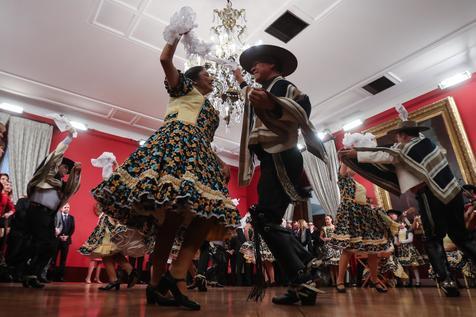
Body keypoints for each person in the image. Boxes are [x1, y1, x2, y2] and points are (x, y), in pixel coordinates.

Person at [91, 35, 239, 310]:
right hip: (176, 146)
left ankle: (174, 276)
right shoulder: (183, 89)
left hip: (199, 154)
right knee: (171, 221)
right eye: (207, 75)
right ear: (193, 79)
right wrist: (176, 34)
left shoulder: (209, 108)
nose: (212, 79)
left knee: (210, 212)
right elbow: (164, 59)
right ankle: (160, 283)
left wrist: (218, 162)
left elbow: (205, 138)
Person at [339, 116, 476, 297]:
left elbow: (387, 154)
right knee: (461, 236)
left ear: (403, 135)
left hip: (432, 194)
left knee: (433, 238)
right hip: (453, 193)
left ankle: (446, 280)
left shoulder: (408, 148)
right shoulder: (428, 145)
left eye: (398, 136)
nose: (397, 140)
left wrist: (356, 154)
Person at [234, 44, 327, 305]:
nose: (252, 68)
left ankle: (303, 270)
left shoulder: (282, 86)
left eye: (258, 63)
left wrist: (264, 98)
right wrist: (241, 81)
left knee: (265, 218)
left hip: (281, 157)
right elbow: (253, 98)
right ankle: (304, 281)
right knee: (268, 219)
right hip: (273, 158)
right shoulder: (263, 90)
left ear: (273, 66)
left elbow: (290, 106)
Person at [22, 130, 81, 288]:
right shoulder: (45, 175)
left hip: (48, 216)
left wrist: (77, 173)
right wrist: (68, 139)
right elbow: (54, 157)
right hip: (36, 211)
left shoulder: (62, 186)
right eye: (65, 168)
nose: (66, 171)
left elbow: (73, 187)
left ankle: (34, 273)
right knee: (40, 242)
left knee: (51, 246)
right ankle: (28, 273)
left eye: (68, 170)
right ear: (58, 166)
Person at [330, 163, 393, 293]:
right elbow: (344, 164)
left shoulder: (355, 182)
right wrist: (345, 157)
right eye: (351, 166)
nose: (354, 168)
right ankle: (340, 281)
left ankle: (374, 280)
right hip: (352, 214)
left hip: (364, 215)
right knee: (348, 249)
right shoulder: (343, 179)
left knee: (373, 249)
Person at [395, 222, 425, 287]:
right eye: (399, 223)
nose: (400, 224)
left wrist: (401, 241)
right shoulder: (397, 232)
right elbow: (395, 241)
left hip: (409, 250)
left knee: (414, 265)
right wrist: (396, 242)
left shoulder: (408, 231)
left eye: (402, 223)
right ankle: (406, 282)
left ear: (405, 224)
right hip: (402, 251)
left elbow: (410, 239)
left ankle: (418, 281)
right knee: (405, 266)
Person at [54, 203, 75, 281]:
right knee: (54, 258)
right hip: (57, 240)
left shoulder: (71, 218)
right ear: (62, 208)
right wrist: (59, 236)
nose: (67, 208)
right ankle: (52, 276)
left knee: (63, 260)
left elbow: (72, 229)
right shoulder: (57, 216)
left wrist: (67, 236)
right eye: (65, 207)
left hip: (66, 241)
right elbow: (55, 226)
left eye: (68, 207)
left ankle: (60, 277)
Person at [320, 215, 340, 286]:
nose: (327, 221)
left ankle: (338, 281)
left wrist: (333, 239)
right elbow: (321, 236)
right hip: (328, 247)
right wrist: (324, 239)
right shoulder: (324, 228)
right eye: (326, 219)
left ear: (331, 219)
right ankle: (333, 282)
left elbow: (338, 236)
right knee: (331, 265)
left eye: (328, 219)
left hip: (335, 247)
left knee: (337, 265)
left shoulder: (335, 227)